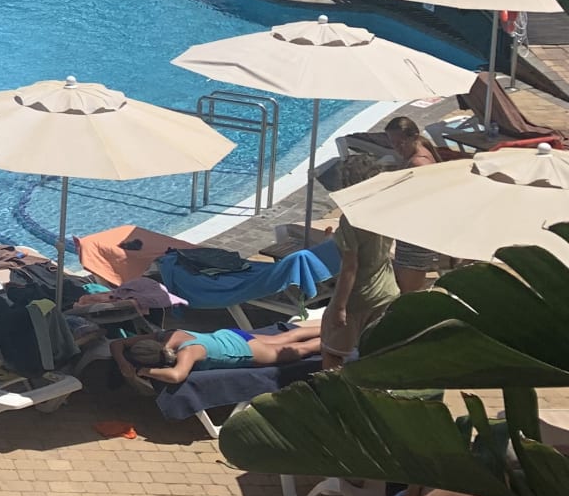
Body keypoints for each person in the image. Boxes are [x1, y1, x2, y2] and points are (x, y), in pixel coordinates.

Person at [381, 115, 455, 292]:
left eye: (401, 143)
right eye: (393, 143)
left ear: (414, 137)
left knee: (406, 290)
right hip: (418, 231)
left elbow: (425, 201)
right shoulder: (420, 149)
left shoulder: (418, 163)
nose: (397, 148)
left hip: (417, 235)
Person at [118, 324, 321, 385]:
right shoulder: (169, 334)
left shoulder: (188, 352)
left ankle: (332, 341)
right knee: (286, 337)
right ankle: (330, 325)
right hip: (230, 335)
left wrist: (144, 371)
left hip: (246, 351)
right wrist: (123, 363)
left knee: (302, 350)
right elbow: (118, 344)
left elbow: (177, 375)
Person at [321, 213, 396, 370]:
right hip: (386, 290)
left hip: (359, 295)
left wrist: (339, 307)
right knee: (374, 353)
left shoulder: (352, 219)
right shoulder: (387, 213)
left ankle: (335, 386)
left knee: (333, 354)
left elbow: (350, 267)